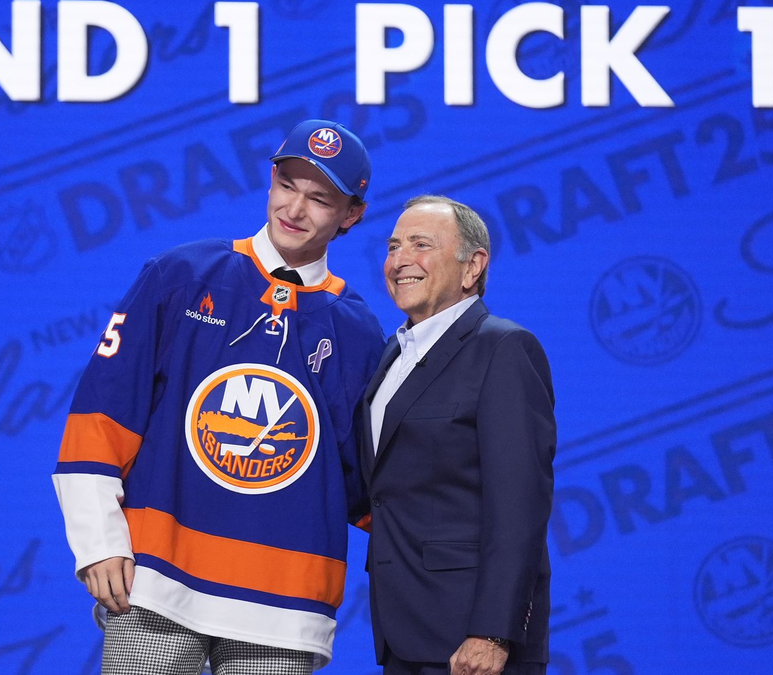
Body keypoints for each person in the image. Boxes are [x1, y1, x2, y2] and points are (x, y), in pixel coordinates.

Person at [53, 120, 386, 675]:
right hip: (157, 583)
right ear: (271, 180)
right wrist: (98, 542)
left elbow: (368, 484)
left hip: (284, 604)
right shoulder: (179, 276)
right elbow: (101, 416)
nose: (295, 209)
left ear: (351, 215)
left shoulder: (358, 333)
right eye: (287, 186)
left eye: (320, 198)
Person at [360, 195, 556, 675]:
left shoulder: (504, 348)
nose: (400, 260)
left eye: (421, 245)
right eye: (393, 246)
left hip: (472, 639)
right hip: (402, 633)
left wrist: (493, 632)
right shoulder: (392, 354)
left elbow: (519, 508)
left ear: (474, 266)